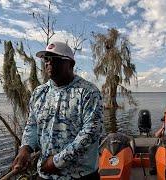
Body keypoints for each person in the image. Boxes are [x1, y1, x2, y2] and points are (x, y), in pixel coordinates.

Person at [11, 42, 103, 179]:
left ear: (71, 64)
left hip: (80, 175)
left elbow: (90, 133)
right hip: (45, 174)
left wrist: (56, 162)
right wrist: (25, 148)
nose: (49, 63)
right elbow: (32, 125)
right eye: (46, 59)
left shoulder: (88, 92)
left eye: (55, 59)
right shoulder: (39, 92)